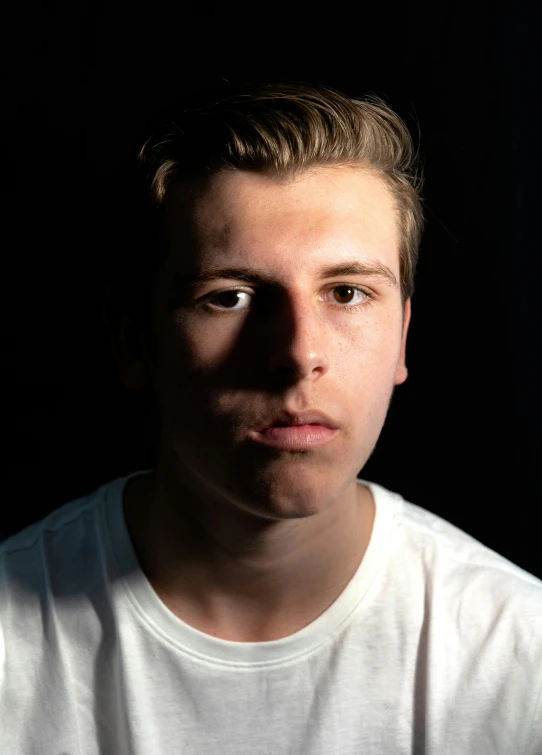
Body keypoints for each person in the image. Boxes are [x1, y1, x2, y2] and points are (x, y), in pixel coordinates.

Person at [1, 79, 541, 755]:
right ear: (135, 340)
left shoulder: (518, 651)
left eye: (346, 292)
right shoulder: (11, 645)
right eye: (229, 297)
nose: (298, 354)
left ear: (403, 334)